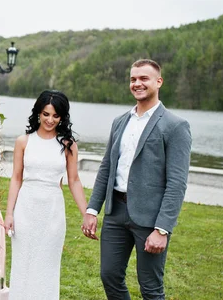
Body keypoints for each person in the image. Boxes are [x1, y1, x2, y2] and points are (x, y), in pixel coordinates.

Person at [82, 59, 192, 300]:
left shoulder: (175, 126)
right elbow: (107, 167)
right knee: (109, 276)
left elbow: (177, 183)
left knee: (151, 287)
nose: (137, 83)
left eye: (144, 78)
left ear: (158, 82)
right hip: (116, 212)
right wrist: (92, 209)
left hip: (150, 218)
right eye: (133, 79)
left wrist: (162, 229)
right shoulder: (120, 122)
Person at [4, 90, 88, 299]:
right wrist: (9, 213)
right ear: (38, 114)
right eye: (46, 114)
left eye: (56, 115)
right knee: (23, 262)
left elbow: (74, 181)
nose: (50, 120)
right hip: (26, 208)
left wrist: (87, 213)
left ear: (62, 117)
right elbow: (16, 178)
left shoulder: (68, 145)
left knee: (47, 264)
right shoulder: (23, 141)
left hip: (52, 211)